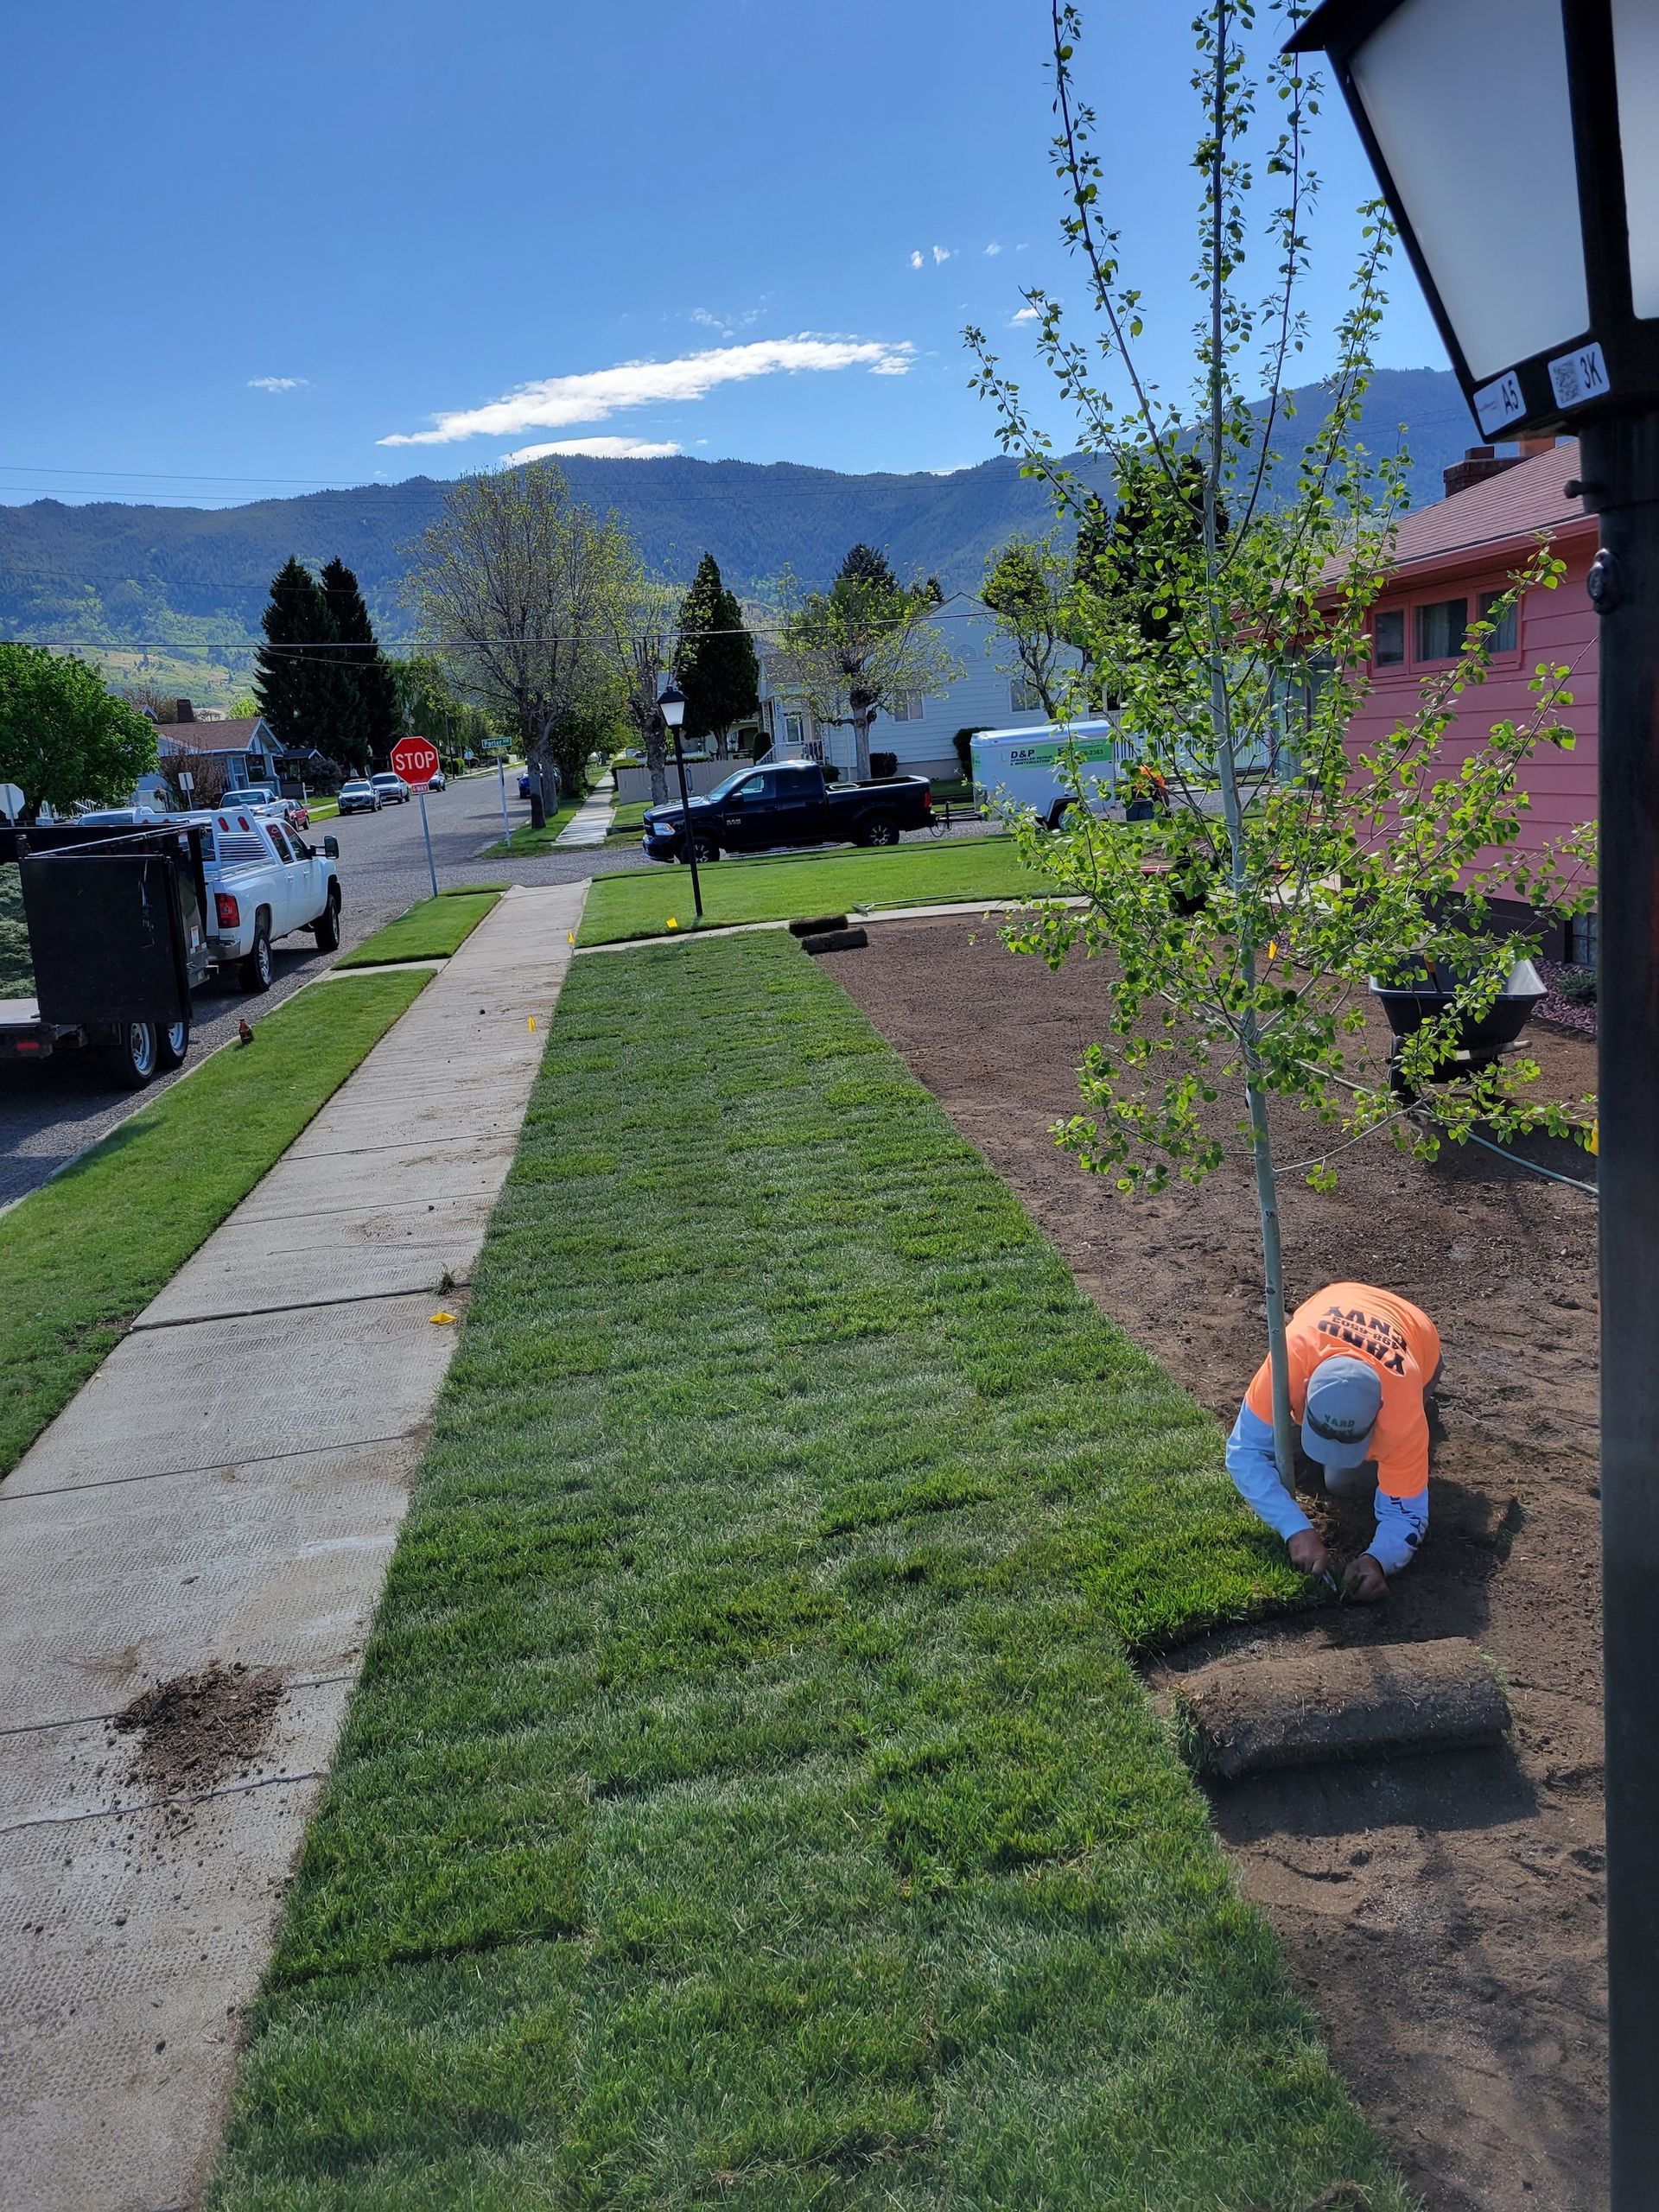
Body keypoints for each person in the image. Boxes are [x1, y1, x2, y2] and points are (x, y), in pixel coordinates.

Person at [1226, 1281, 1440, 1603]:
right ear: (1307, 1385)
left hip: (1419, 1336)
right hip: (1340, 1296)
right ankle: (1323, 1433)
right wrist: (1295, 1529)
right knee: (1287, 1449)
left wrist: (1379, 1560)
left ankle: (1429, 1419)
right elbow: (1244, 1453)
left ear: (1379, 1409)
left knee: (1342, 1481)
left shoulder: (1402, 1415)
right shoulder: (1289, 1359)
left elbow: (1407, 1513)